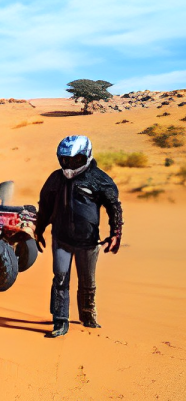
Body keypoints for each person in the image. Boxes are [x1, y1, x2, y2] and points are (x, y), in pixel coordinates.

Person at [35, 135, 123, 338]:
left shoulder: (100, 179)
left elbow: (114, 207)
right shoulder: (55, 178)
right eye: (65, 159)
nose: (69, 164)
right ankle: (60, 321)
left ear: (87, 156)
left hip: (89, 241)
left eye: (75, 159)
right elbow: (45, 206)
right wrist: (39, 229)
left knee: (87, 281)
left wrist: (116, 233)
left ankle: (88, 315)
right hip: (61, 239)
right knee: (60, 278)